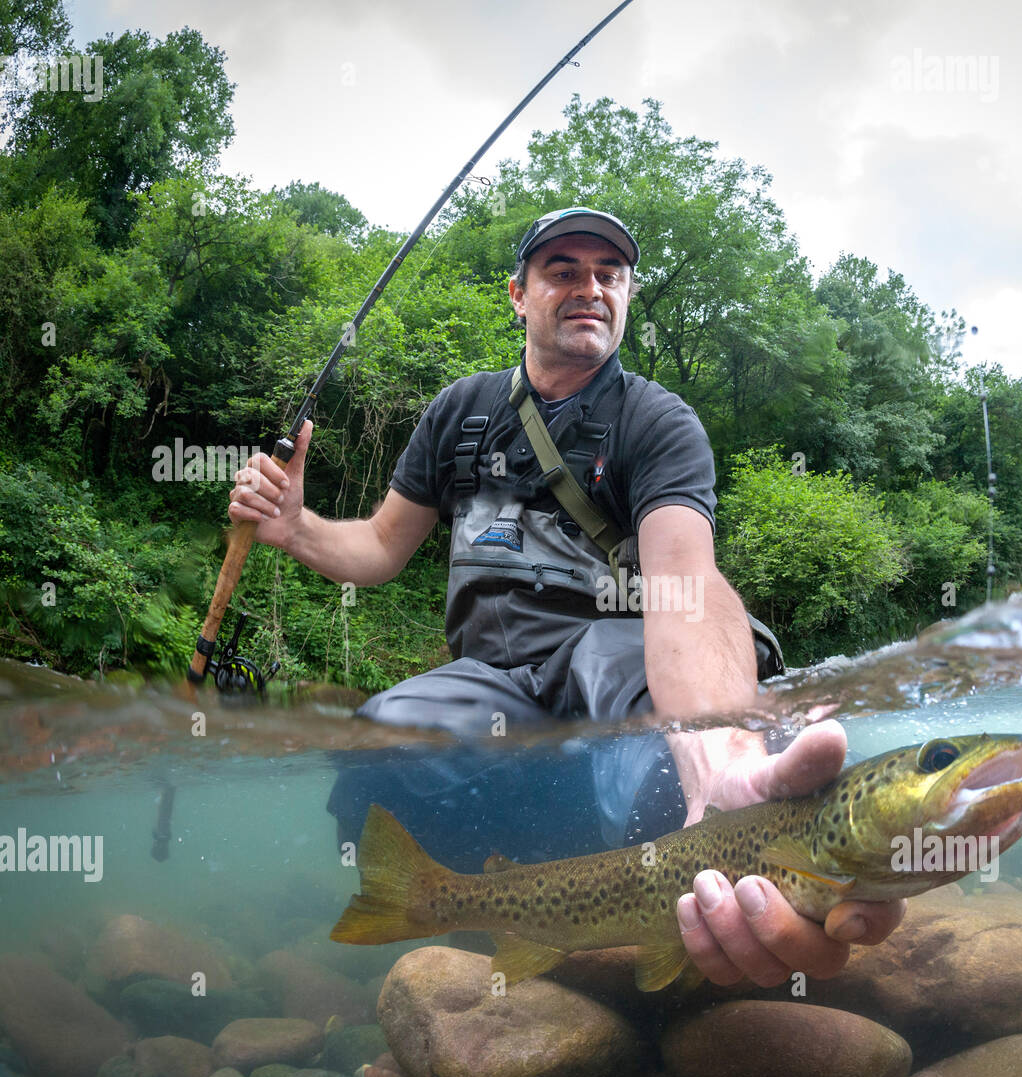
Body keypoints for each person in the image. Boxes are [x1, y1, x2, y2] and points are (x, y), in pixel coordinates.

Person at [228, 206, 904, 986]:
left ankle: (677, 894)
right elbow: (382, 546)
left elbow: (686, 583)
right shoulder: (460, 412)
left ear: (626, 296)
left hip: (617, 655)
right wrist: (298, 526)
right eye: (564, 271)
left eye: (609, 275)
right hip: (496, 677)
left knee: (654, 758)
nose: (591, 288)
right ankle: (479, 922)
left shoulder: (656, 421)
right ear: (517, 293)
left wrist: (718, 751)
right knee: (378, 746)